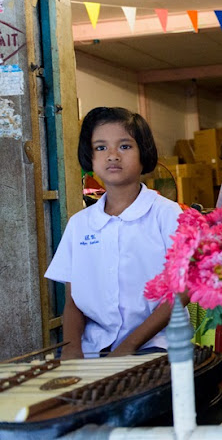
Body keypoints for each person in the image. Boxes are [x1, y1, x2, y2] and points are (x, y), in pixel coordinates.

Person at [45, 107, 184, 359]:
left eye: (125, 146)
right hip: (93, 349)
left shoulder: (167, 214)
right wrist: (72, 349)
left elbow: (183, 290)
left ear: (144, 153)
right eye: (100, 147)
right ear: (90, 157)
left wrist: (128, 347)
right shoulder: (79, 224)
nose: (112, 156)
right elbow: (73, 299)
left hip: (157, 346)